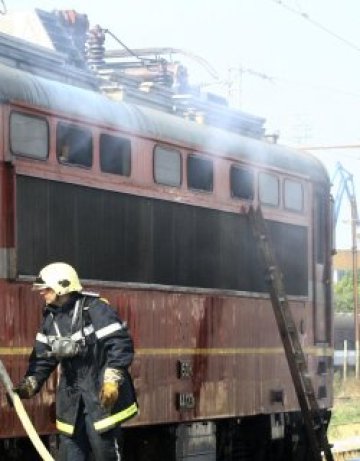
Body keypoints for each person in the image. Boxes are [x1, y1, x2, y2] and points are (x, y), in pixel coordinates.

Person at [14, 262, 138, 461]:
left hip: (100, 395)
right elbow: (43, 357)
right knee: (70, 453)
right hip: (71, 399)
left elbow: (120, 344)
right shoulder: (51, 318)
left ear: (62, 286)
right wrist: (31, 383)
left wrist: (112, 379)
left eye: (46, 288)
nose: (41, 293)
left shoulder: (95, 309)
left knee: (104, 451)